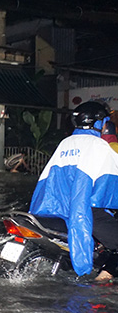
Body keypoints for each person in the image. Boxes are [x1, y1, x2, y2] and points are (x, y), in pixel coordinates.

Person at [29, 101, 118, 281]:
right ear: (102, 123)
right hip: (85, 210)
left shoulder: (65, 143)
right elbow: (109, 182)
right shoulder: (99, 145)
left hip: (55, 210)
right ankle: (101, 282)